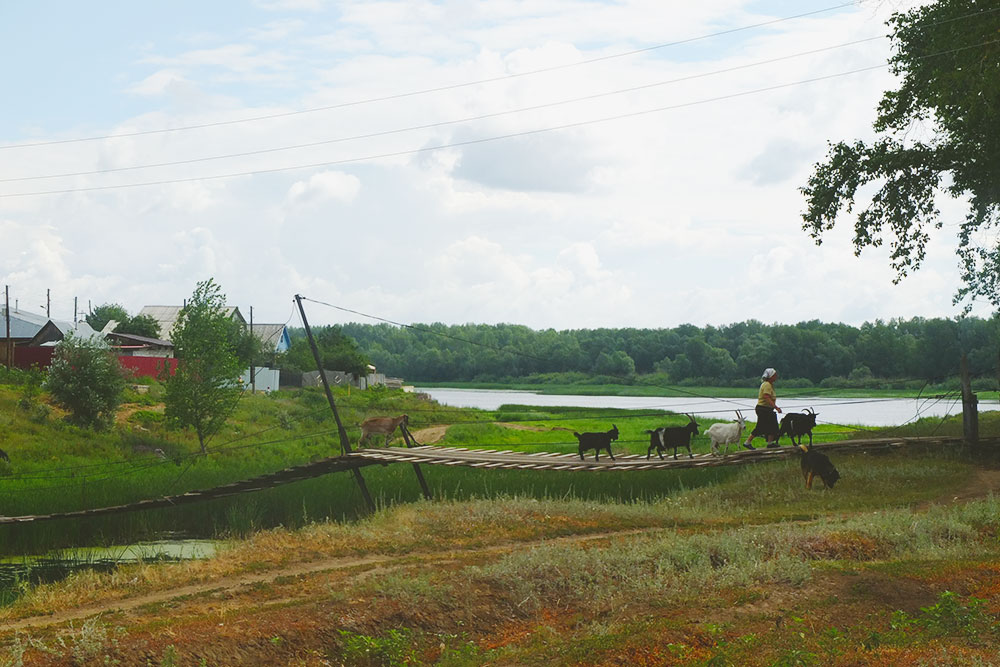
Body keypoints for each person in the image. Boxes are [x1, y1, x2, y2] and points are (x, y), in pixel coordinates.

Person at [744, 367, 781, 449]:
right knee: (761, 426)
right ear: (770, 376)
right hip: (763, 409)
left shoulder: (770, 385)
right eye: (774, 375)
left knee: (773, 425)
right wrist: (776, 407)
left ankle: (770, 443)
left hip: (768, 409)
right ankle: (747, 442)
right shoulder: (767, 384)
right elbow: (766, 397)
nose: (776, 376)